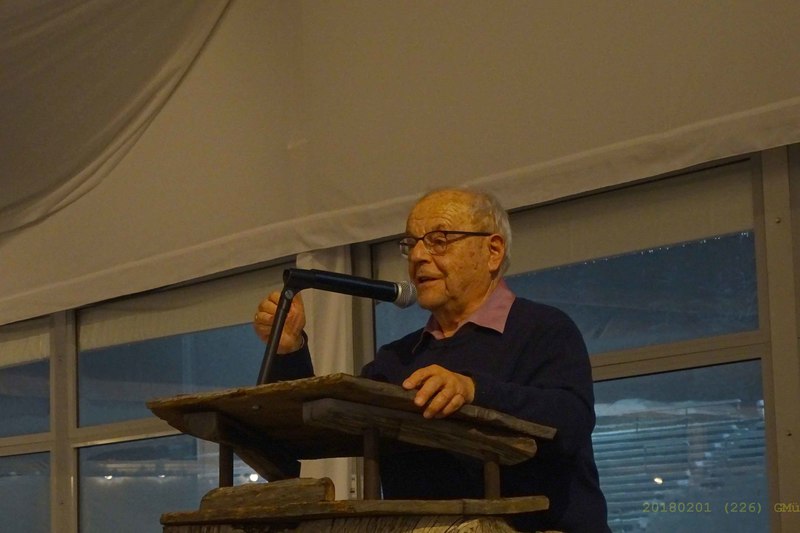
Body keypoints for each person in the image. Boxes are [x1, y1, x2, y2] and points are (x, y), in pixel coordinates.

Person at [254, 188, 609, 532]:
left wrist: (473, 390)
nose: (418, 256)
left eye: (439, 240)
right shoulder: (396, 359)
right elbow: (315, 432)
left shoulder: (544, 329)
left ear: (493, 251)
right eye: (411, 244)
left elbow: (571, 421)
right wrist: (290, 351)